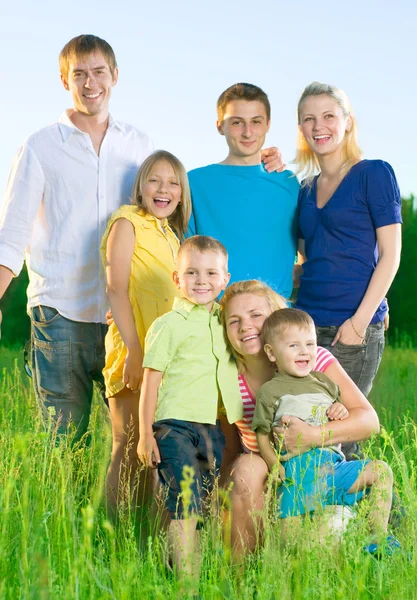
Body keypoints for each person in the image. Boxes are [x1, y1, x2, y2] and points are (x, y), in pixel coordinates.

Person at [0, 34, 153, 442]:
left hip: (121, 316)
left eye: (99, 72)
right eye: (79, 74)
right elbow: (11, 235)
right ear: (64, 81)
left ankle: (123, 510)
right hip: (59, 312)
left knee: (133, 437)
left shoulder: (138, 145)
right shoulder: (39, 146)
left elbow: (159, 215)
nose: (90, 83)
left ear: (115, 76)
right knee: (64, 440)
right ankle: (68, 506)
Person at [219, 280, 380, 562]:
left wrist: (312, 435)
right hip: (268, 480)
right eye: (235, 321)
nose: (246, 326)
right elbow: (229, 450)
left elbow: (368, 421)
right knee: (246, 466)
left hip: (318, 470)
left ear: (276, 316)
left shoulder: (310, 358)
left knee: (318, 545)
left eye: (256, 315)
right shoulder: (229, 377)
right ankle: (241, 579)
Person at [294, 82, 402, 459]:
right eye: (308, 118)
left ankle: (380, 511)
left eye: (328, 116)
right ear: (301, 128)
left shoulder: (374, 173)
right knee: (306, 432)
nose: (318, 125)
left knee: (342, 438)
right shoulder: (306, 189)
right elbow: (309, 256)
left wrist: (360, 321)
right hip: (306, 329)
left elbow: (390, 255)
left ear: (347, 122)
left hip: (351, 330)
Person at [251, 307, 399, 555]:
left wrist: (340, 409)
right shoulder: (270, 391)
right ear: (271, 352)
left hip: (335, 468)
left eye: (310, 344)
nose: (304, 351)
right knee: (290, 546)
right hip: (299, 475)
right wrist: (274, 463)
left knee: (381, 471)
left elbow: (340, 409)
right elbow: (262, 433)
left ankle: (377, 538)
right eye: (294, 346)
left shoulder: (324, 381)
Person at [137, 236, 242, 586]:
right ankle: (188, 586)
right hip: (173, 427)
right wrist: (144, 435)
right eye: (192, 272)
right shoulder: (169, 325)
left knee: (208, 503)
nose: (201, 280)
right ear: (176, 278)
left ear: (224, 279)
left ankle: (191, 568)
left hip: (210, 428)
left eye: (211, 273)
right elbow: (150, 382)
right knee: (185, 504)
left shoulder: (222, 321)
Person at [100, 150, 191, 516]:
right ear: (140, 186)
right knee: (128, 443)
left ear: (182, 194)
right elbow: (116, 289)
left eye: (173, 183)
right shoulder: (127, 222)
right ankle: (113, 537)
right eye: (155, 179)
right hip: (135, 349)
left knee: (152, 451)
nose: (163, 189)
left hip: (166, 357)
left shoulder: (172, 235)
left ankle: (143, 537)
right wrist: (136, 351)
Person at [188, 83, 299, 298]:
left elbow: (308, 255)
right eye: (237, 122)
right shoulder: (193, 183)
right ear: (220, 126)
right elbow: (182, 259)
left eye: (256, 122)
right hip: (216, 316)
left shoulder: (290, 184)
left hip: (276, 319)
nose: (248, 132)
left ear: (268, 124)